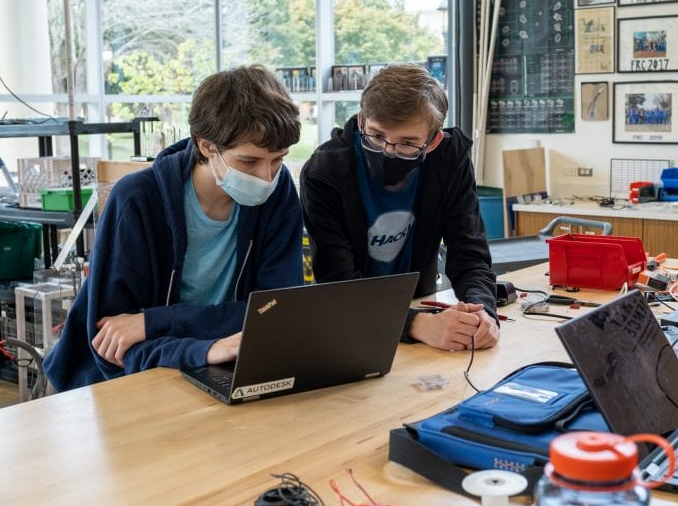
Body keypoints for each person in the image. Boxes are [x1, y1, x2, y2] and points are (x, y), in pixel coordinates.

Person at [43, 66, 304, 391]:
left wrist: (154, 323)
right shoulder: (137, 200)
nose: (267, 177)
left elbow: (278, 314)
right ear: (207, 146)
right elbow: (112, 345)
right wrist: (205, 348)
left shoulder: (278, 193)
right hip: (110, 385)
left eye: (278, 159)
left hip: (218, 366)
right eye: (249, 162)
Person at [300, 62, 499, 353]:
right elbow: (338, 286)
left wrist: (482, 314)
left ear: (433, 141)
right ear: (361, 121)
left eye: (407, 143)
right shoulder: (325, 172)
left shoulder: (449, 162)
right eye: (377, 136)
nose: (388, 151)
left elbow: (470, 255)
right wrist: (414, 324)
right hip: (355, 324)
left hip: (418, 306)